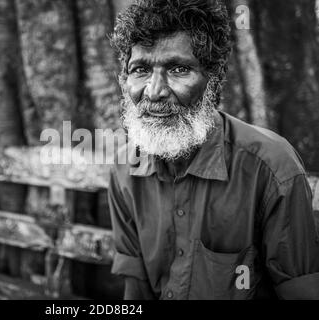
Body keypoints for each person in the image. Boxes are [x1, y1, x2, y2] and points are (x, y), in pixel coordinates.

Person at [108, 0, 319, 300]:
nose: (153, 91)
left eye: (178, 69)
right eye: (140, 69)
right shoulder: (123, 170)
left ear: (214, 80)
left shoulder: (270, 168)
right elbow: (136, 293)